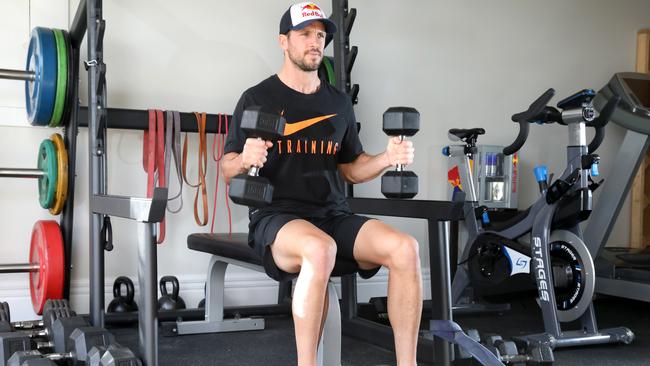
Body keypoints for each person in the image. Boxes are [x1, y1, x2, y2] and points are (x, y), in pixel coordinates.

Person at [222, 2, 420, 365]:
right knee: (320, 249)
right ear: (283, 41)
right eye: (305, 35)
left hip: (333, 215)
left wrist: (386, 158)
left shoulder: (339, 102)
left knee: (405, 248)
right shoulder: (257, 98)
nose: (315, 42)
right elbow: (226, 168)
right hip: (277, 219)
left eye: (320, 35)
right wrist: (245, 157)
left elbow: (350, 168)